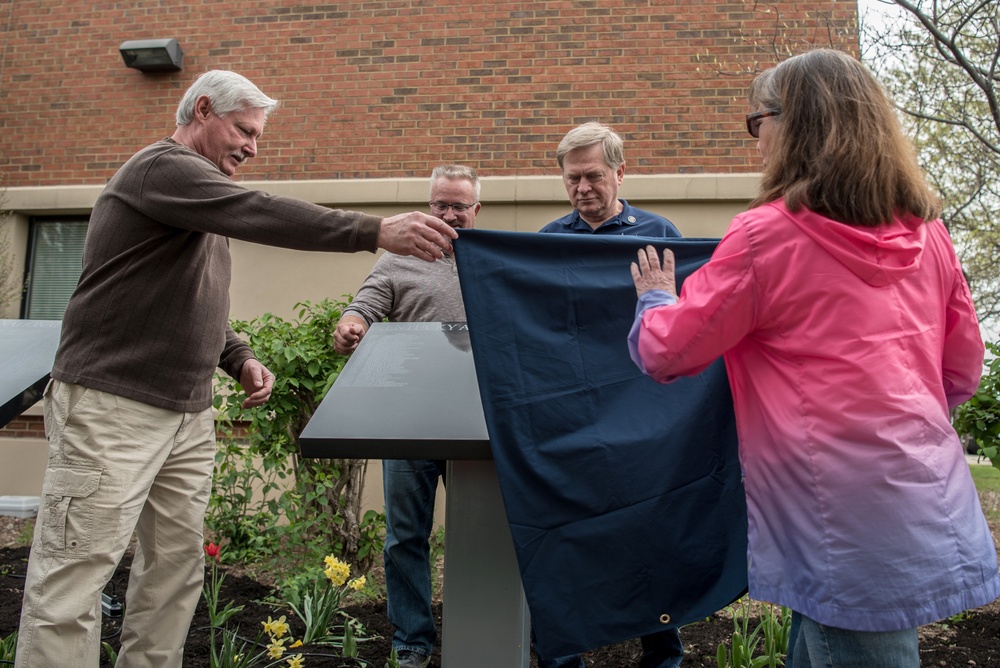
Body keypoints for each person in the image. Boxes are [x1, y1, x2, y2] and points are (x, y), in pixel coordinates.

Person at [14, 70, 458, 668]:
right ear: (202, 109)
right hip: (112, 405)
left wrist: (239, 357)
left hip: (187, 414)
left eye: (258, 136)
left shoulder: (198, 201)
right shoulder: (161, 168)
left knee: (173, 574)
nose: (253, 147)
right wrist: (373, 230)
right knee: (74, 572)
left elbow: (194, 299)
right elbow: (258, 210)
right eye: (245, 130)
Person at [628, 49, 1000, 668]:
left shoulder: (763, 236)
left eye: (759, 121)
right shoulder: (929, 232)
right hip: (917, 491)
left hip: (830, 506)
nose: (755, 139)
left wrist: (654, 298)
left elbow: (668, 352)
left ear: (796, 125)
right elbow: (961, 369)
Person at [536, 122, 684, 668]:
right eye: (572, 179)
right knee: (568, 536)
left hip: (641, 408)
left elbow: (678, 318)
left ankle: (662, 656)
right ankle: (564, 657)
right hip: (573, 411)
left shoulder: (659, 231)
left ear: (620, 172)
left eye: (593, 176)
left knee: (647, 534)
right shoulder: (549, 241)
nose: (582, 188)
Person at [334, 164, 481, 668]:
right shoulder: (397, 259)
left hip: (479, 423)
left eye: (459, 205)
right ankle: (412, 640)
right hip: (410, 420)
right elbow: (366, 303)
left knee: (481, 531)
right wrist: (352, 324)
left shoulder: (491, 259)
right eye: (440, 203)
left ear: (475, 210)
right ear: (428, 205)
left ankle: (479, 633)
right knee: (405, 537)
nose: (448, 213)